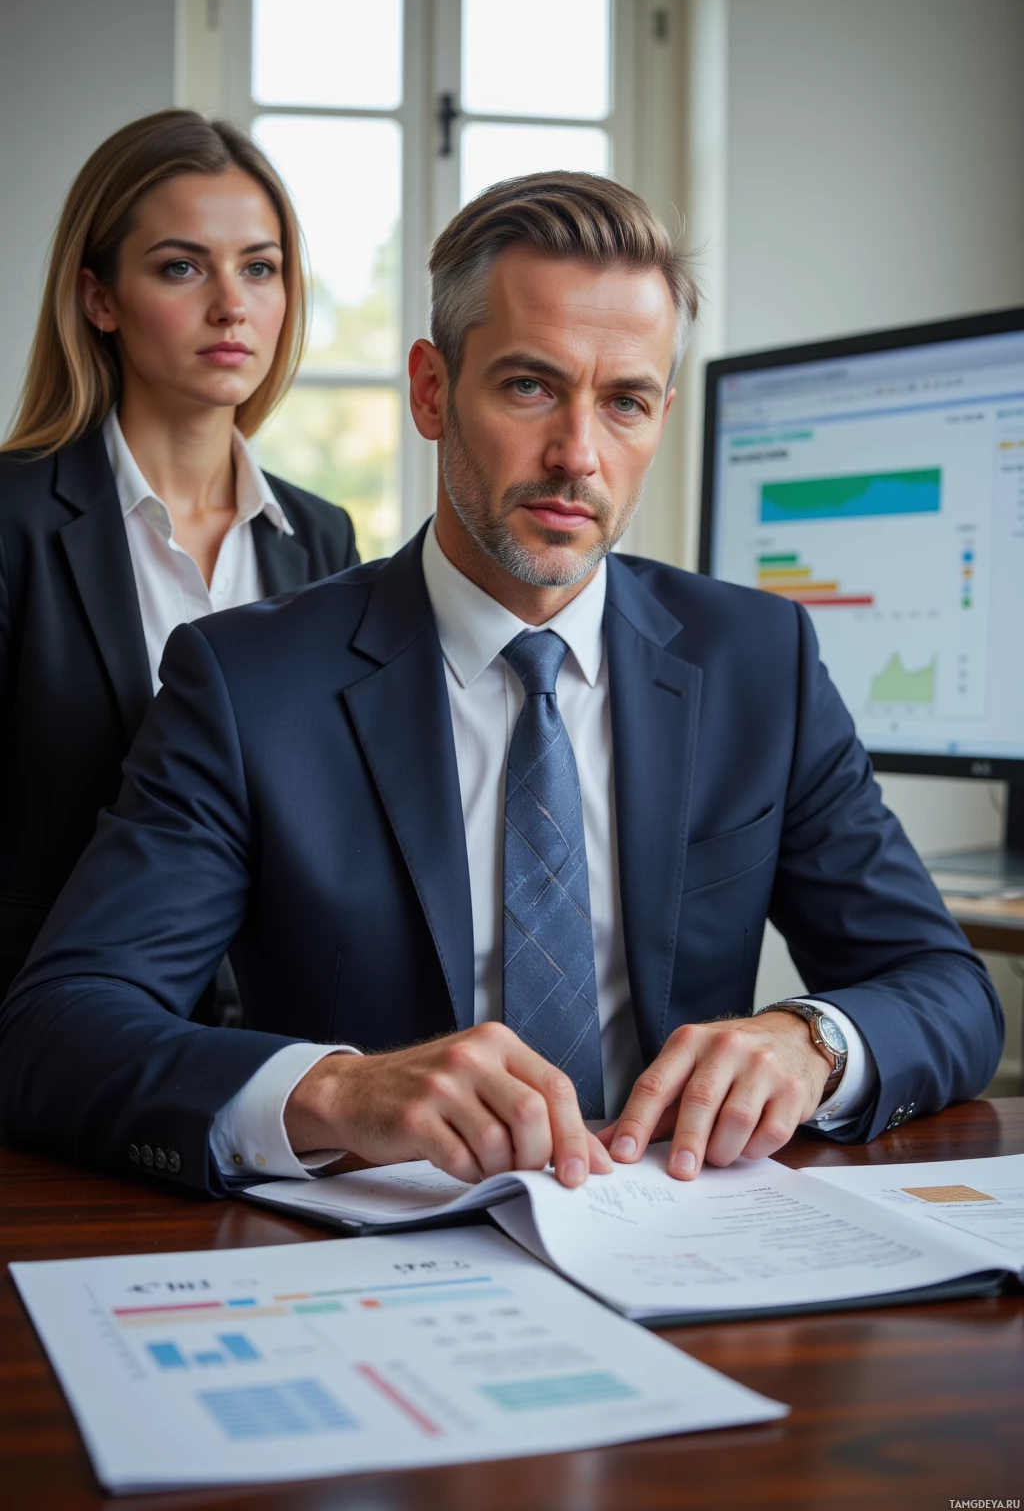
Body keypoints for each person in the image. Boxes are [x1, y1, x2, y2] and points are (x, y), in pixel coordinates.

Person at [0, 173, 1002, 1196]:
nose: (578, 456)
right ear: (432, 390)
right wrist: (337, 1093)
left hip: (682, 1243)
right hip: (380, 1257)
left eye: (625, 403)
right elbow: (57, 1027)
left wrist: (815, 1043)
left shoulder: (759, 661)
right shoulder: (247, 681)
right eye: (529, 386)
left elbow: (944, 990)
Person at [0, 110, 358, 997]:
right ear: (100, 299)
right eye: (182, 266)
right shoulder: (11, 521)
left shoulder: (321, 539)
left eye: (261, 268)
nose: (232, 304)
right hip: (47, 1038)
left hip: (275, 1058)